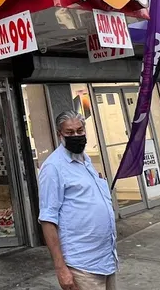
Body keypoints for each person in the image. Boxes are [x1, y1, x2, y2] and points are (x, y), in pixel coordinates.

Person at [38, 110, 117, 290]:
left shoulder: (86, 161)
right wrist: (61, 268)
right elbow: (48, 219)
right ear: (60, 135)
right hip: (81, 265)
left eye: (80, 131)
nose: (76, 136)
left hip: (106, 260)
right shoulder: (53, 168)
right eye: (70, 132)